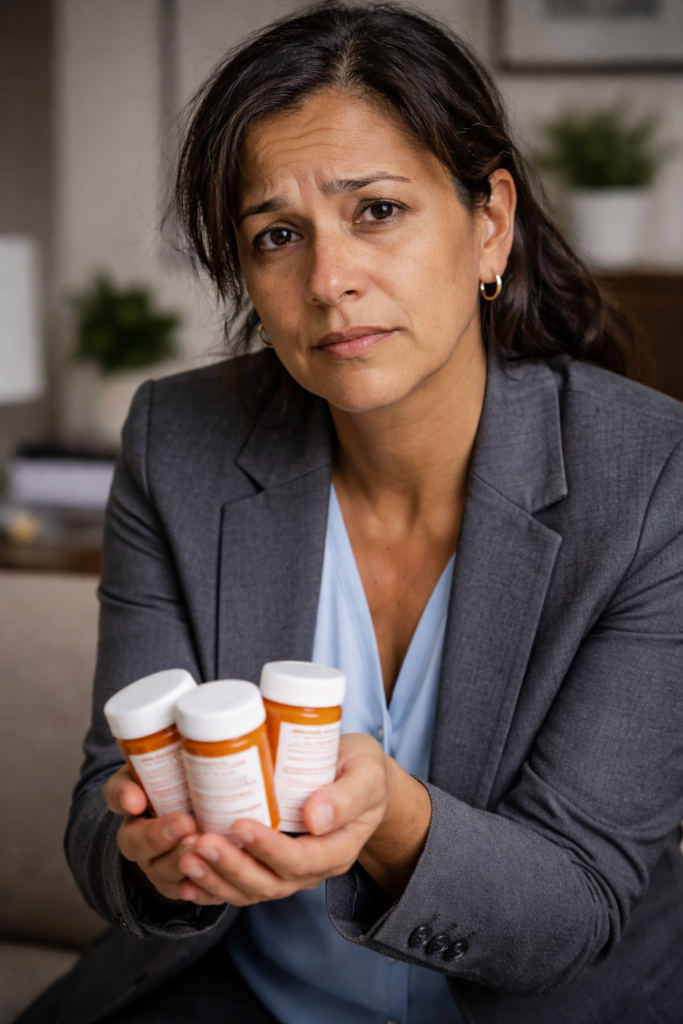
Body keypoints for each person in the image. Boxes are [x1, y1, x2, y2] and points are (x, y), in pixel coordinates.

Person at [19, 4, 683, 1023]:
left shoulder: (648, 478)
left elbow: (575, 898)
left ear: (488, 224)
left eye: (375, 210)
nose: (328, 281)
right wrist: (153, 858)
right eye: (277, 234)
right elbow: (106, 797)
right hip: (242, 997)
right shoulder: (177, 440)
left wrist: (392, 816)